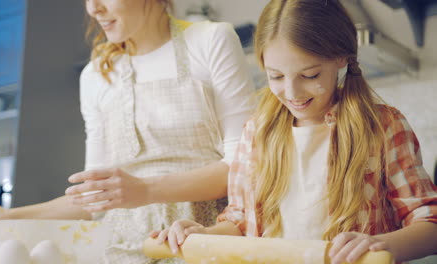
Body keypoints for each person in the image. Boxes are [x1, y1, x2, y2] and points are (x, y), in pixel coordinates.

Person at [152, 0, 437, 263]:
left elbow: (429, 222)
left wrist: (379, 244)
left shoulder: (383, 126)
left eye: (309, 75)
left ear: (341, 57)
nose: (291, 93)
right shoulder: (256, 132)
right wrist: (201, 235)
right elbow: (240, 221)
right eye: (276, 76)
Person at [0, 0, 255, 263]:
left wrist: (145, 190)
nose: (93, 9)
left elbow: (242, 170)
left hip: (196, 243)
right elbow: (95, 198)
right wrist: (6, 216)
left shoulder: (211, 40)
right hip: (118, 252)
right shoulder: (95, 76)